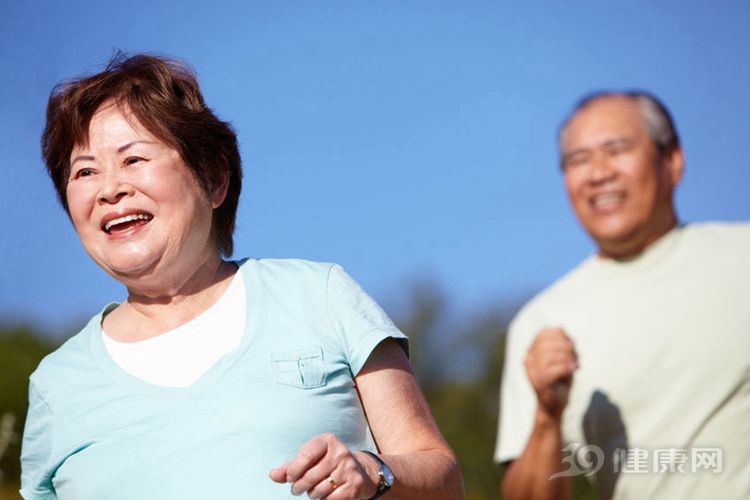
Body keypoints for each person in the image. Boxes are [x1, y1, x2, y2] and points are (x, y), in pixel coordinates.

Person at [20, 53, 463, 500]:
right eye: (84, 171)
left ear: (213, 179)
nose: (109, 189)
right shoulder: (56, 385)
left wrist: (373, 473)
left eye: (133, 159)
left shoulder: (319, 296)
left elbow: (442, 478)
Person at [495, 91, 750, 499]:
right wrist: (547, 415)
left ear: (672, 162)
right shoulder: (541, 322)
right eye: (578, 160)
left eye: (616, 150)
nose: (598, 173)